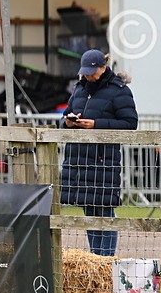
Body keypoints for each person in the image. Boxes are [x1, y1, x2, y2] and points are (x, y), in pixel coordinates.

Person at [59, 49, 138, 257]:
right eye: (85, 72)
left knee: (104, 212)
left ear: (103, 68)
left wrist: (96, 125)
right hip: (79, 161)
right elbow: (64, 118)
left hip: (104, 161)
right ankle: (95, 258)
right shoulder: (79, 89)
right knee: (89, 211)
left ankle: (105, 259)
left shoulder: (119, 91)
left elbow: (130, 124)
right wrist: (68, 122)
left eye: (91, 72)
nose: (87, 76)